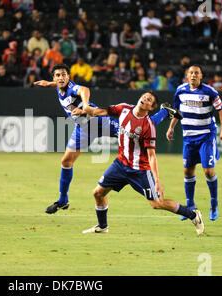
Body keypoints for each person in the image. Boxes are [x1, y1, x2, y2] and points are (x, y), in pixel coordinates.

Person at [33, 63, 181, 214]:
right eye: (57, 76)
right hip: (83, 129)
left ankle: (164, 113)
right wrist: (49, 83)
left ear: (69, 76)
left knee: (133, 129)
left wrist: (85, 106)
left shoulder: (72, 88)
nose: (61, 78)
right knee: (66, 161)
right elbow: (59, 83)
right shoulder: (59, 85)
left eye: (64, 74)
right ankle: (63, 200)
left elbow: (84, 89)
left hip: (99, 122)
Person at [81, 92, 204, 235]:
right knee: (98, 193)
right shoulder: (124, 108)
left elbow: (152, 156)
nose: (145, 98)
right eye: (144, 96)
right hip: (120, 164)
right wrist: (84, 108)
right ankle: (102, 226)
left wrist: (157, 181)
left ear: (151, 107)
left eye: (149, 100)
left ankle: (194, 215)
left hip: (139, 170)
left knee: (157, 204)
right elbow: (100, 111)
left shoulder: (149, 126)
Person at [166, 65, 222, 221]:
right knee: (188, 172)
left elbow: (221, 109)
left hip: (206, 135)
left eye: (196, 73)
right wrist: (171, 127)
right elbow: (177, 111)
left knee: (208, 171)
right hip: (188, 137)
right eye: (191, 73)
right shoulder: (180, 90)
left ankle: (214, 203)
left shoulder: (210, 92)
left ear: (201, 76)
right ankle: (190, 206)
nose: (193, 75)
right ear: (187, 76)